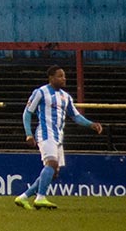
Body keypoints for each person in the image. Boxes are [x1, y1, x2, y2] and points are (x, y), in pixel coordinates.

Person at [14, 65, 103, 210]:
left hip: (58, 137)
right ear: (51, 78)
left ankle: (23, 197)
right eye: (60, 76)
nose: (64, 78)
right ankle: (40, 198)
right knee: (52, 164)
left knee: (53, 173)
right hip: (45, 132)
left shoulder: (66, 96)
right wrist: (28, 134)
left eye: (64, 76)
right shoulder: (40, 92)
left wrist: (91, 124)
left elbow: (75, 116)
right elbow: (27, 113)